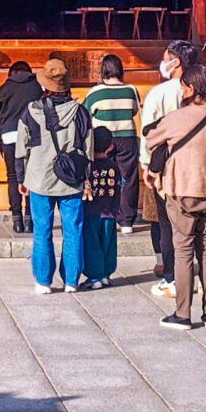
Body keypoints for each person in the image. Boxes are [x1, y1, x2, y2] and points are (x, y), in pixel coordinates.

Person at [154, 58, 206, 329]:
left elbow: (152, 138)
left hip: (182, 190)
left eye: (183, 87)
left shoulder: (177, 117)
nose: (181, 91)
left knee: (184, 252)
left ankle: (183, 314)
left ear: (191, 88)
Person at [15, 57, 91, 294]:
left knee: (42, 230)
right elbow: (88, 150)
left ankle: (43, 281)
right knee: (73, 231)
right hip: (72, 179)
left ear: (45, 84)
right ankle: (71, 280)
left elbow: (22, 147)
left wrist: (21, 177)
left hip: (39, 178)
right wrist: (86, 179)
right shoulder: (80, 112)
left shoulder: (31, 111)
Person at [81, 54, 141, 286]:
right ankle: (126, 221)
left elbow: (86, 114)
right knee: (128, 178)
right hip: (127, 137)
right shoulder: (131, 90)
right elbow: (134, 111)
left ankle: (103, 211)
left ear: (103, 70)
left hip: (102, 140)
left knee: (102, 178)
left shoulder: (95, 92)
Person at [138, 47, 186, 299]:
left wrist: (146, 163)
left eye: (165, 59)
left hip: (163, 164)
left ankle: (171, 275)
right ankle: (194, 274)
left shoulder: (159, 92)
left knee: (164, 222)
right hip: (193, 164)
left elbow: (147, 132)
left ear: (175, 62)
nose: (162, 63)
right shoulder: (203, 91)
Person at [0, 59, 38, 234]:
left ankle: (17, 220)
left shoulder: (4, 89)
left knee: (12, 177)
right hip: (33, 136)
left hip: (9, 137)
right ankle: (30, 219)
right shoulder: (37, 87)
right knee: (32, 177)